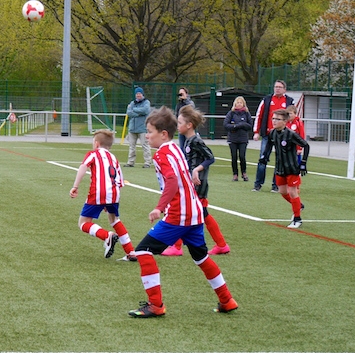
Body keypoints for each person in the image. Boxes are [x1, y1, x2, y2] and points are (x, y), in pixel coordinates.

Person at [127, 106, 238, 318]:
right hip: (195, 212)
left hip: (179, 215)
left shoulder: (162, 154)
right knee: (201, 257)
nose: (147, 136)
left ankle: (156, 305)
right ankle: (227, 300)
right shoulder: (176, 148)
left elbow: (171, 180)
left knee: (142, 251)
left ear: (163, 134)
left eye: (149, 132)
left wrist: (159, 207)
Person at [162, 105, 230, 256]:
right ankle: (221, 245)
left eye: (180, 122)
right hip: (192, 183)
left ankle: (177, 247)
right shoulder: (188, 140)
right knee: (197, 213)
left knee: (187, 212)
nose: (177, 125)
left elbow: (210, 158)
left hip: (198, 184)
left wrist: (196, 170)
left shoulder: (196, 141)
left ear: (189, 125)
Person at [70, 129, 136, 260]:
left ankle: (107, 236)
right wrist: (109, 199)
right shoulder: (114, 158)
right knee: (115, 220)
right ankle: (131, 252)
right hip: (114, 193)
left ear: (96, 143)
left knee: (83, 223)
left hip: (98, 192)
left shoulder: (93, 154)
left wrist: (75, 186)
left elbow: (83, 167)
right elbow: (120, 180)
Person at [270, 109, 310, 228]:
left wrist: (303, 163)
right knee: (282, 191)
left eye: (278, 119)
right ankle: (299, 205)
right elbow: (269, 146)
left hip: (292, 168)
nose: (274, 121)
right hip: (280, 168)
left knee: (292, 192)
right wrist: (264, 157)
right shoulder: (272, 133)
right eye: (273, 118)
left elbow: (306, 145)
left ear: (285, 121)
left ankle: (297, 219)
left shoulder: (291, 134)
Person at [252, 80, 294, 192]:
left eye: (280, 87)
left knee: (280, 160)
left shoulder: (289, 101)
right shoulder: (267, 99)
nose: (277, 89)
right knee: (263, 159)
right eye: (276, 87)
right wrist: (256, 131)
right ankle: (258, 184)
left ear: (284, 89)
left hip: (282, 136)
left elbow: (293, 118)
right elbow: (259, 115)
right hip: (268, 135)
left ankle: (276, 185)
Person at [223, 96, 253, 182]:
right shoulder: (231, 113)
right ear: (235, 104)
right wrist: (236, 126)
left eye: (241, 103)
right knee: (234, 157)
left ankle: (244, 173)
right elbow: (226, 125)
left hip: (243, 139)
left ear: (243, 104)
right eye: (238, 102)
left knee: (242, 156)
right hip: (233, 139)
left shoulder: (246, 113)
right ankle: (235, 174)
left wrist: (242, 124)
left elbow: (250, 125)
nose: (239, 104)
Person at [125, 87, 152, 168]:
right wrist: (138, 113)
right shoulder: (132, 102)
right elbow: (129, 113)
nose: (138, 95)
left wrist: (134, 109)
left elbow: (145, 110)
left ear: (142, 94)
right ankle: (130, 162)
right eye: (137, 94)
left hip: (142, 128)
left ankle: (147, 162)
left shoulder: (146, 102)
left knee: (145, 145)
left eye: (139, 93)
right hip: (132, 129)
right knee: (131, 146)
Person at [174, 87, 195, 151]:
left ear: (186, 94)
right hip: (181, 127)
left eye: (182, 93)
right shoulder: (179, 104)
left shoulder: (190, 102)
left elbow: (192, 109)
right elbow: (176, 114)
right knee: (182, 147)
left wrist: (185, 100)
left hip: (188, 127)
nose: (181, 95)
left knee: (189, 146)